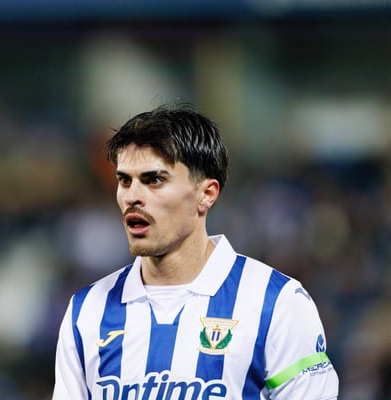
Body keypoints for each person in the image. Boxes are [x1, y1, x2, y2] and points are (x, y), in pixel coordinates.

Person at [53, 104, 339, 399]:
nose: (132, 196)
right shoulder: (87, 311)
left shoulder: (277, 303)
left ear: (206, 194)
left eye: (154, 180)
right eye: (125, 180)